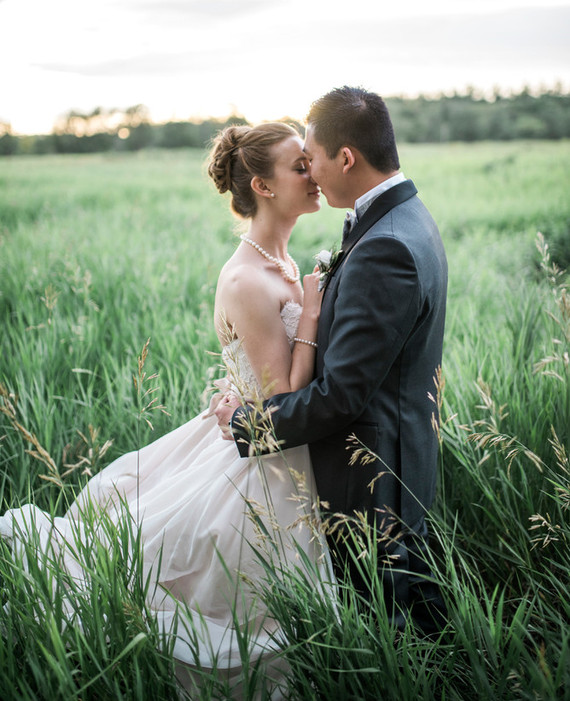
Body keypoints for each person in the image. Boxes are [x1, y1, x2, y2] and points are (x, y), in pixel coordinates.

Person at [0, 121, 330, 690]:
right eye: (300, 165)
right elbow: (281, 401)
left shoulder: (281, 263)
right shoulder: (248, 278)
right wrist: (315, 314)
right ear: (265, 186)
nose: (315, 172)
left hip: (277, 442)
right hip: (265, 457)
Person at [220, 86, 448, 634]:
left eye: (313, 160)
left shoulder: (386, 245)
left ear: (345, 158)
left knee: (390, 628)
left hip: (374, 478)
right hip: (384, 459)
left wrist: (246, 423)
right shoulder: (403, 219)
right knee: (396, 620)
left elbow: (343, 394)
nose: (313, 173)